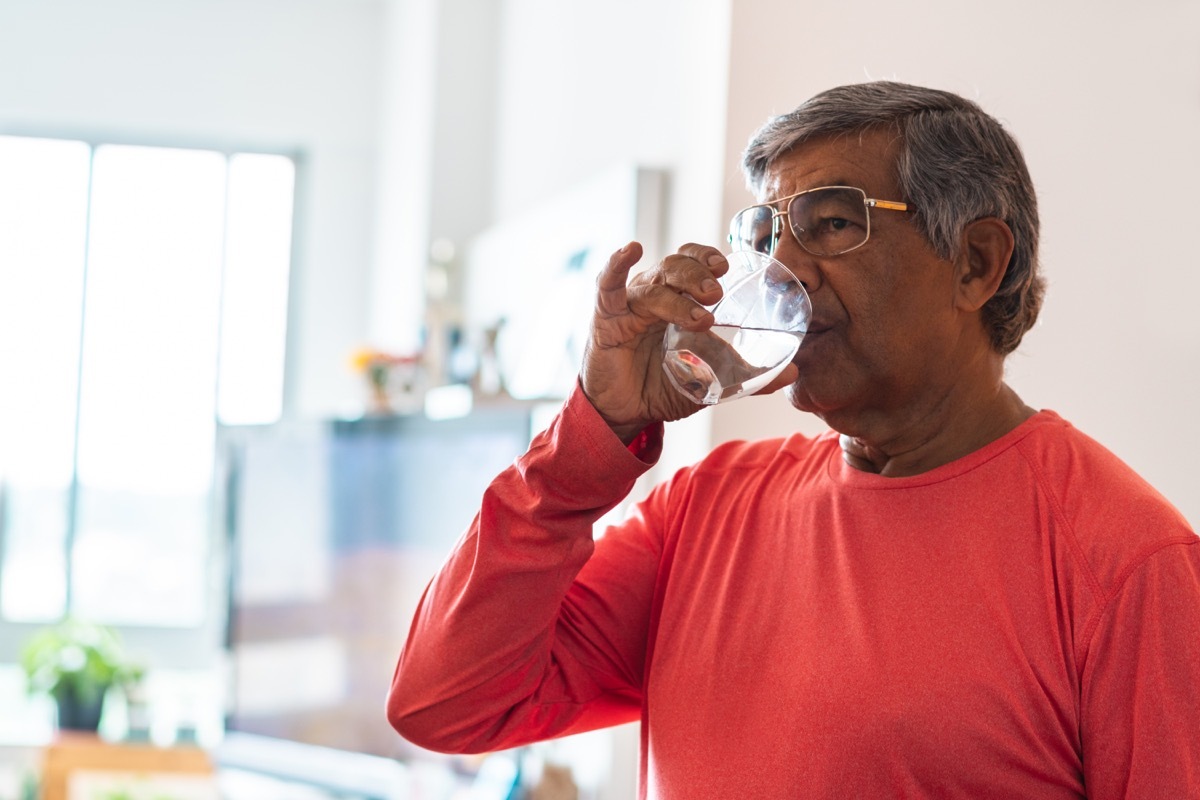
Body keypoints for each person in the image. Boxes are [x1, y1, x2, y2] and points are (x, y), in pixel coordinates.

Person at [387, 81, 1200, 798]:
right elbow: (447, 702)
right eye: (769, 237)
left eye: (833, 224)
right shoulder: (705, 508)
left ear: (975, 264)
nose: (789, 275)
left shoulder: (1125, 561)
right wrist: (595, 433)